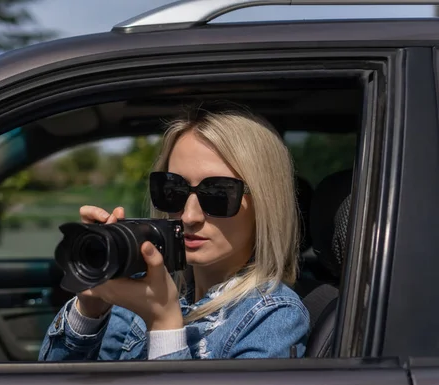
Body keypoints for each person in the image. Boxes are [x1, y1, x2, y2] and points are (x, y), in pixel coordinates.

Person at [38, 106, 309, 361]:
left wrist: (164, 324)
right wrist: (90, 308)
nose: (189, 216)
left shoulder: (274, 316)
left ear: (266, 203)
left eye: (218, 195)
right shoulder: (148, 287)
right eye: (173, 190)